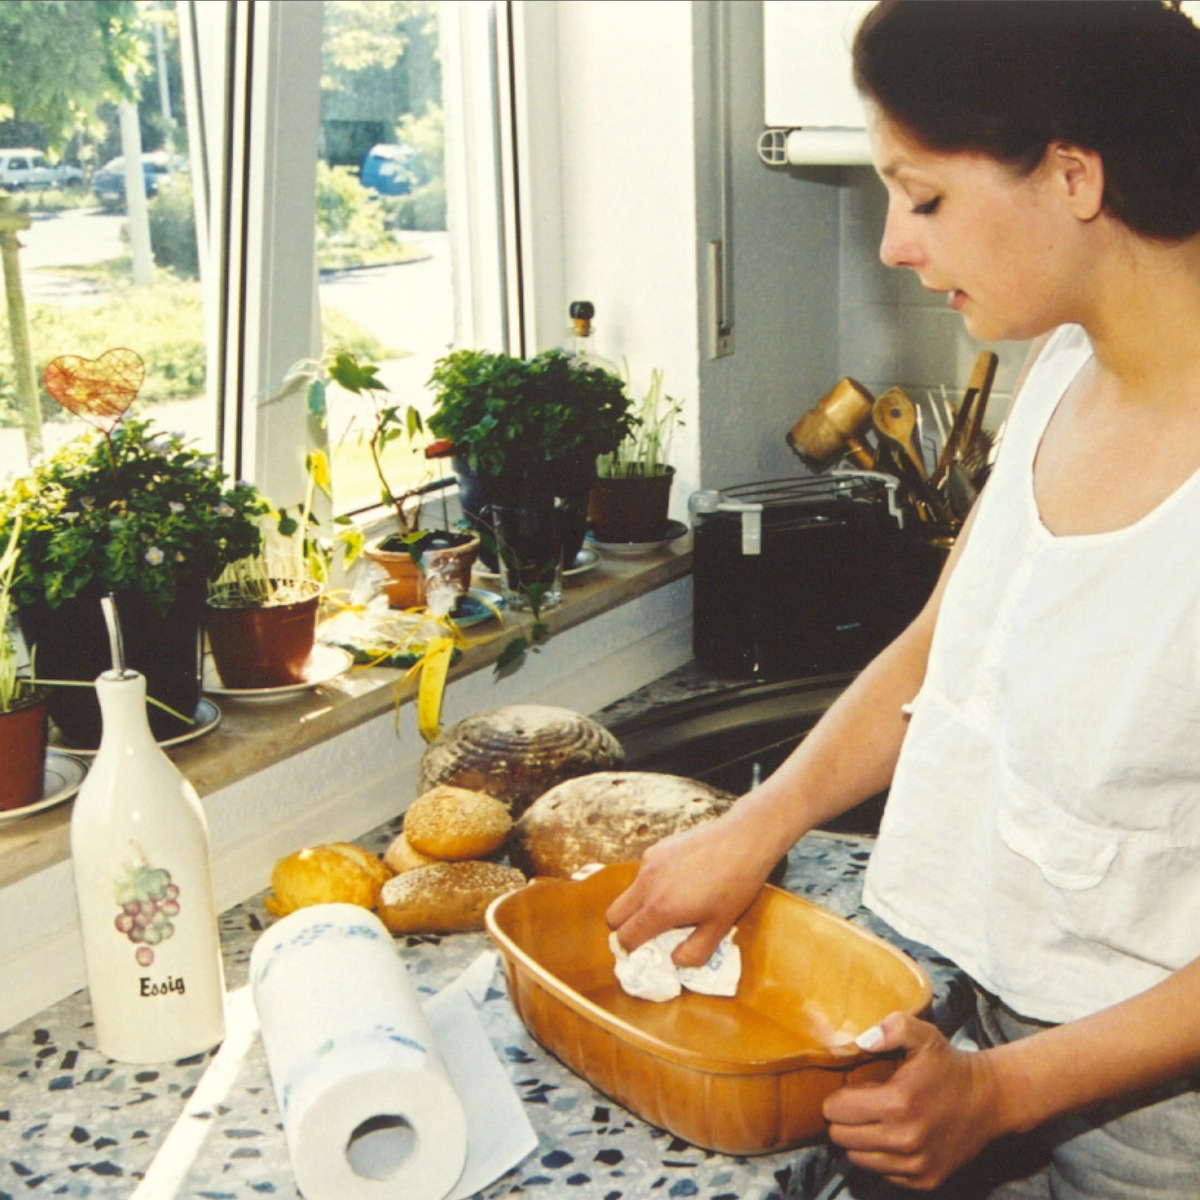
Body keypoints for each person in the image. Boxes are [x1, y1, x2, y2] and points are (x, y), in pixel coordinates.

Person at [606, 2, 1200, 1195]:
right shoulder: (1064, 367)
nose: (893, 244)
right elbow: (943, 647)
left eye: (922, 196)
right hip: (989, 1014)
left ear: (1075, 175)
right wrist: (752, 826)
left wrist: (1000, 1094)